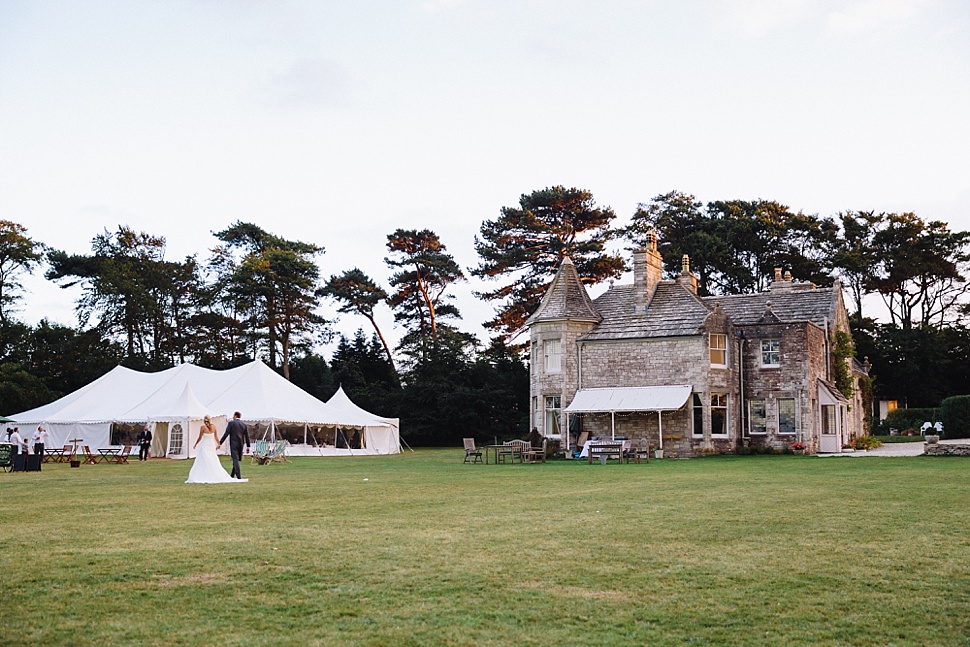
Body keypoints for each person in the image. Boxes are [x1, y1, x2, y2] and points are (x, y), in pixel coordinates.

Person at [185, 416, 246, 484]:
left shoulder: (202, 427)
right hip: (211, 445)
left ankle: (204, 474)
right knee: (212, 460)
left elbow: (200, 437)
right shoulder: (214, 427)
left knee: (203, 459)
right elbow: (216, 437)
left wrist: (196, 444)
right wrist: (219, 443)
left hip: (205, 445)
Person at [219, 411, 251, 480]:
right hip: (241, 444)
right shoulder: (244, 424)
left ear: (235, 416)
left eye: (233, 415)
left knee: (235, 460)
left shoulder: (231, 423)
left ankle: (239, 477)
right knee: (236, 460)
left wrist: (220, 442)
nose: (233, 417)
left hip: (233, 444)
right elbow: (247, 436)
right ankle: (232, 476)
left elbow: (226, 433)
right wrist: (248, 446)